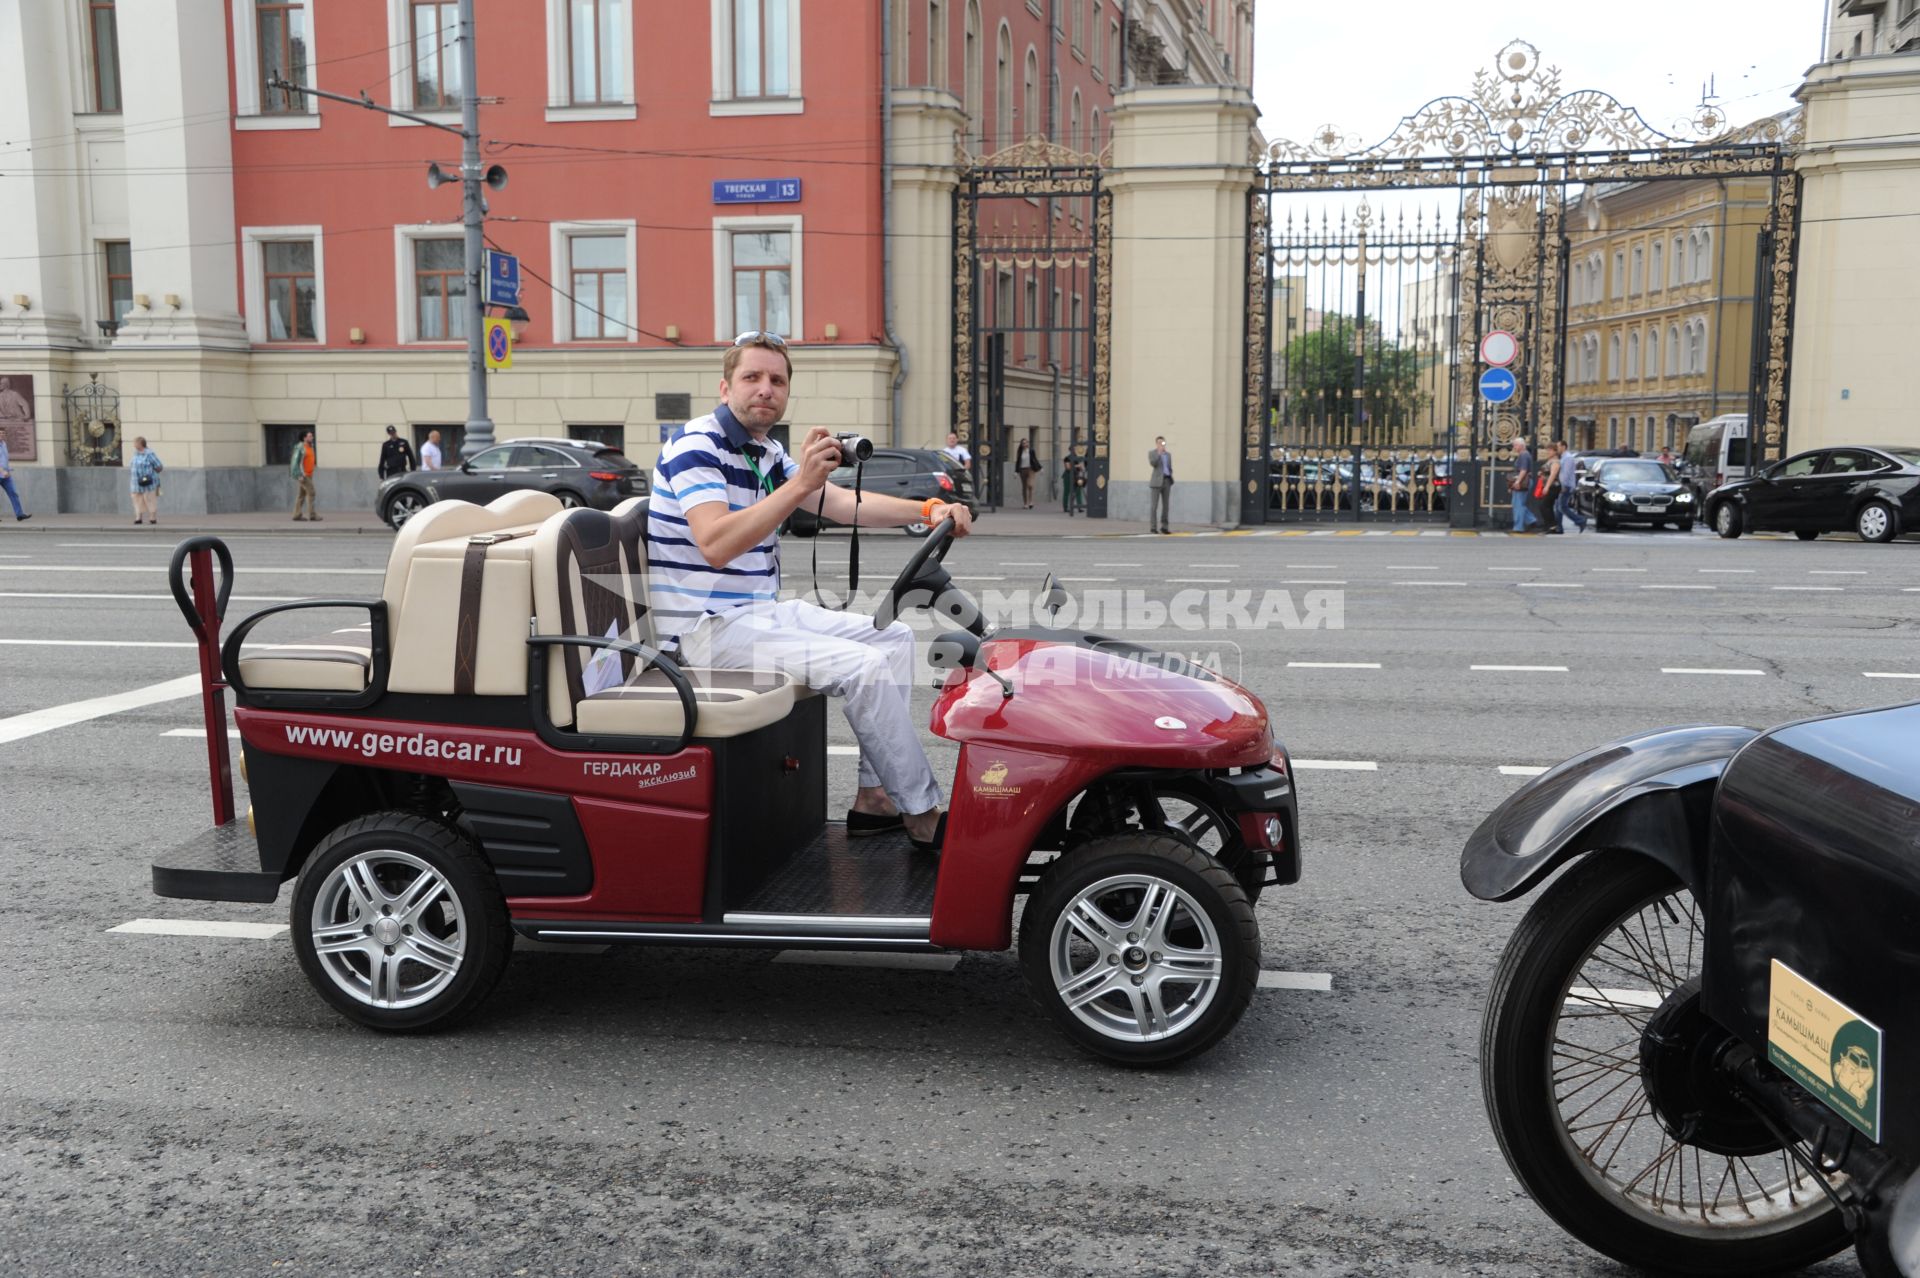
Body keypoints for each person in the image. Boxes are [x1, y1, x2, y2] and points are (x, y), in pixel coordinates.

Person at [650, 332, 974, 852]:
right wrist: (799, 486)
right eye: (752, 378)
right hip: (702, 628)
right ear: (725, 385)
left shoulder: (764, 449)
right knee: (861, 667)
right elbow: (714, 543)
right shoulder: (696, 445)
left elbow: (842, 504)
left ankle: (875, 799)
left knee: (891, 639)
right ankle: (921, 813)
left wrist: (927, 510)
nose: (765, 390)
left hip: (755, 614)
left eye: (777, 380)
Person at [129, 436, 164, 525]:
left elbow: (158, 466)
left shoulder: (149, 454)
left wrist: (152, 474)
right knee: (137, 499)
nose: (134, 445)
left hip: (147, 481)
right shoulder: (135, 454)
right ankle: (138, 517)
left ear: (141, 444)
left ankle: (152, 517)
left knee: (149, 498)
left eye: (135, 443)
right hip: (135, 482)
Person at [1553, 441, 1587, 533]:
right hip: (1564, 485)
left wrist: (1563, 485)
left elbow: (1566, 474)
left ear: (1564, 447)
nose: (1557, 448)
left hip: (1566, 486)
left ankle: (1580, 520)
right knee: (1558, 507)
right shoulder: (1564, 457)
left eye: (1558, 446)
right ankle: (1559, 528)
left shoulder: (1568, 458)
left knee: (1562, 507)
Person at [1508, 435, 1538, 533]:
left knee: (1518, 504)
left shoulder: (1524, 455)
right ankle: (1531, 520)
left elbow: (1523, 470)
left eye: (1515, 445)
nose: (1514, 448)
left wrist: (1517, 481)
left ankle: (1519, 527)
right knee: (1518, 503)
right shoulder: (1525, 454)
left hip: (1523, 482)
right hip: (1524, 481)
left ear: (1521, 445)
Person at [1147, 435, 1174, 534]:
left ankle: (1164, 527)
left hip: (1167, 481)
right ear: (1156, 443)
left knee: (1166, 506)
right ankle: (1153, 527)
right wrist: (1159, 453)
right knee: (1154, 506)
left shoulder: (1168, 455)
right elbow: (1153, 463)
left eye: (1162, 442)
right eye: (1159, 442)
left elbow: (1169, 467)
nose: (1161, 444)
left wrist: (1170, 476)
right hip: (1156, 482)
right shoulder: (1152, 453)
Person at [1536, 440, 1564, 534]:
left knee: (1544, 506)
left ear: (1555, 451)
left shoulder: (1556, 462)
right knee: (1547, 506)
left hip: (1553, 486)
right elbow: (1547, 472)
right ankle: (1551, 526)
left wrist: (1547, 487)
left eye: (1550, 450)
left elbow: (1553, 475)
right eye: (1547, 450)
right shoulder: (1550, 460)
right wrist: (1541, 473)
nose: (1548, 452)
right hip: (1548, 486)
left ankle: (1551, 526)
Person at [291, 430, 319, 521]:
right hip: (304, 475)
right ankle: (312, 515)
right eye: (310, 436)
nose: (312, 437)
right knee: (311, 493)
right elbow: (295, 462)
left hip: (309, 475)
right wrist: (299, 475)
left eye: (312, 436)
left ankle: (296, 515)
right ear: (304, 438)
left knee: (301, 495)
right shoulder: (300, 448)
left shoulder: (310, 447)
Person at [0, 433, 28, 523]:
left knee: (13, 493)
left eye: (3, 433)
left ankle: (19, 515)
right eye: (0, 433)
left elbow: (5, 459)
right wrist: (2, 471)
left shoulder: (4, 444)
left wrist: (7, 470)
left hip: (6, 475)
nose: (2, 435)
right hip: (1, 473)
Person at [1014, 436, 1040, 509]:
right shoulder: (1020, 451)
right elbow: (1018, 461)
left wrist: (1040, 468)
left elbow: (1035, 459)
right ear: (1021, 444)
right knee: (1024, 487)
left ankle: (1031, 501)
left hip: (1030, 469)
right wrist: (1016, 471)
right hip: (1022, 470)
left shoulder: (1031, 450)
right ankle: (1025, 503)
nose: (1025, 444)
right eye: (1023, 443)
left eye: (1026, 442)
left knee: (1030, 485)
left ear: (1028, 443)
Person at [1061, 449, 1086, 515]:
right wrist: (1077, 466)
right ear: (1071, 450)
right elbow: (1068, 467)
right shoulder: (1067, 458)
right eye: (1075, 449)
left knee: (1078, 491)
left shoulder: (1078, 458)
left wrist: (1081, 468)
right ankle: (1065, 507)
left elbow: (1082, 467)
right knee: (1067, 491)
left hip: (1076, 476)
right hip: (1068, 476)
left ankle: (1079, 507)